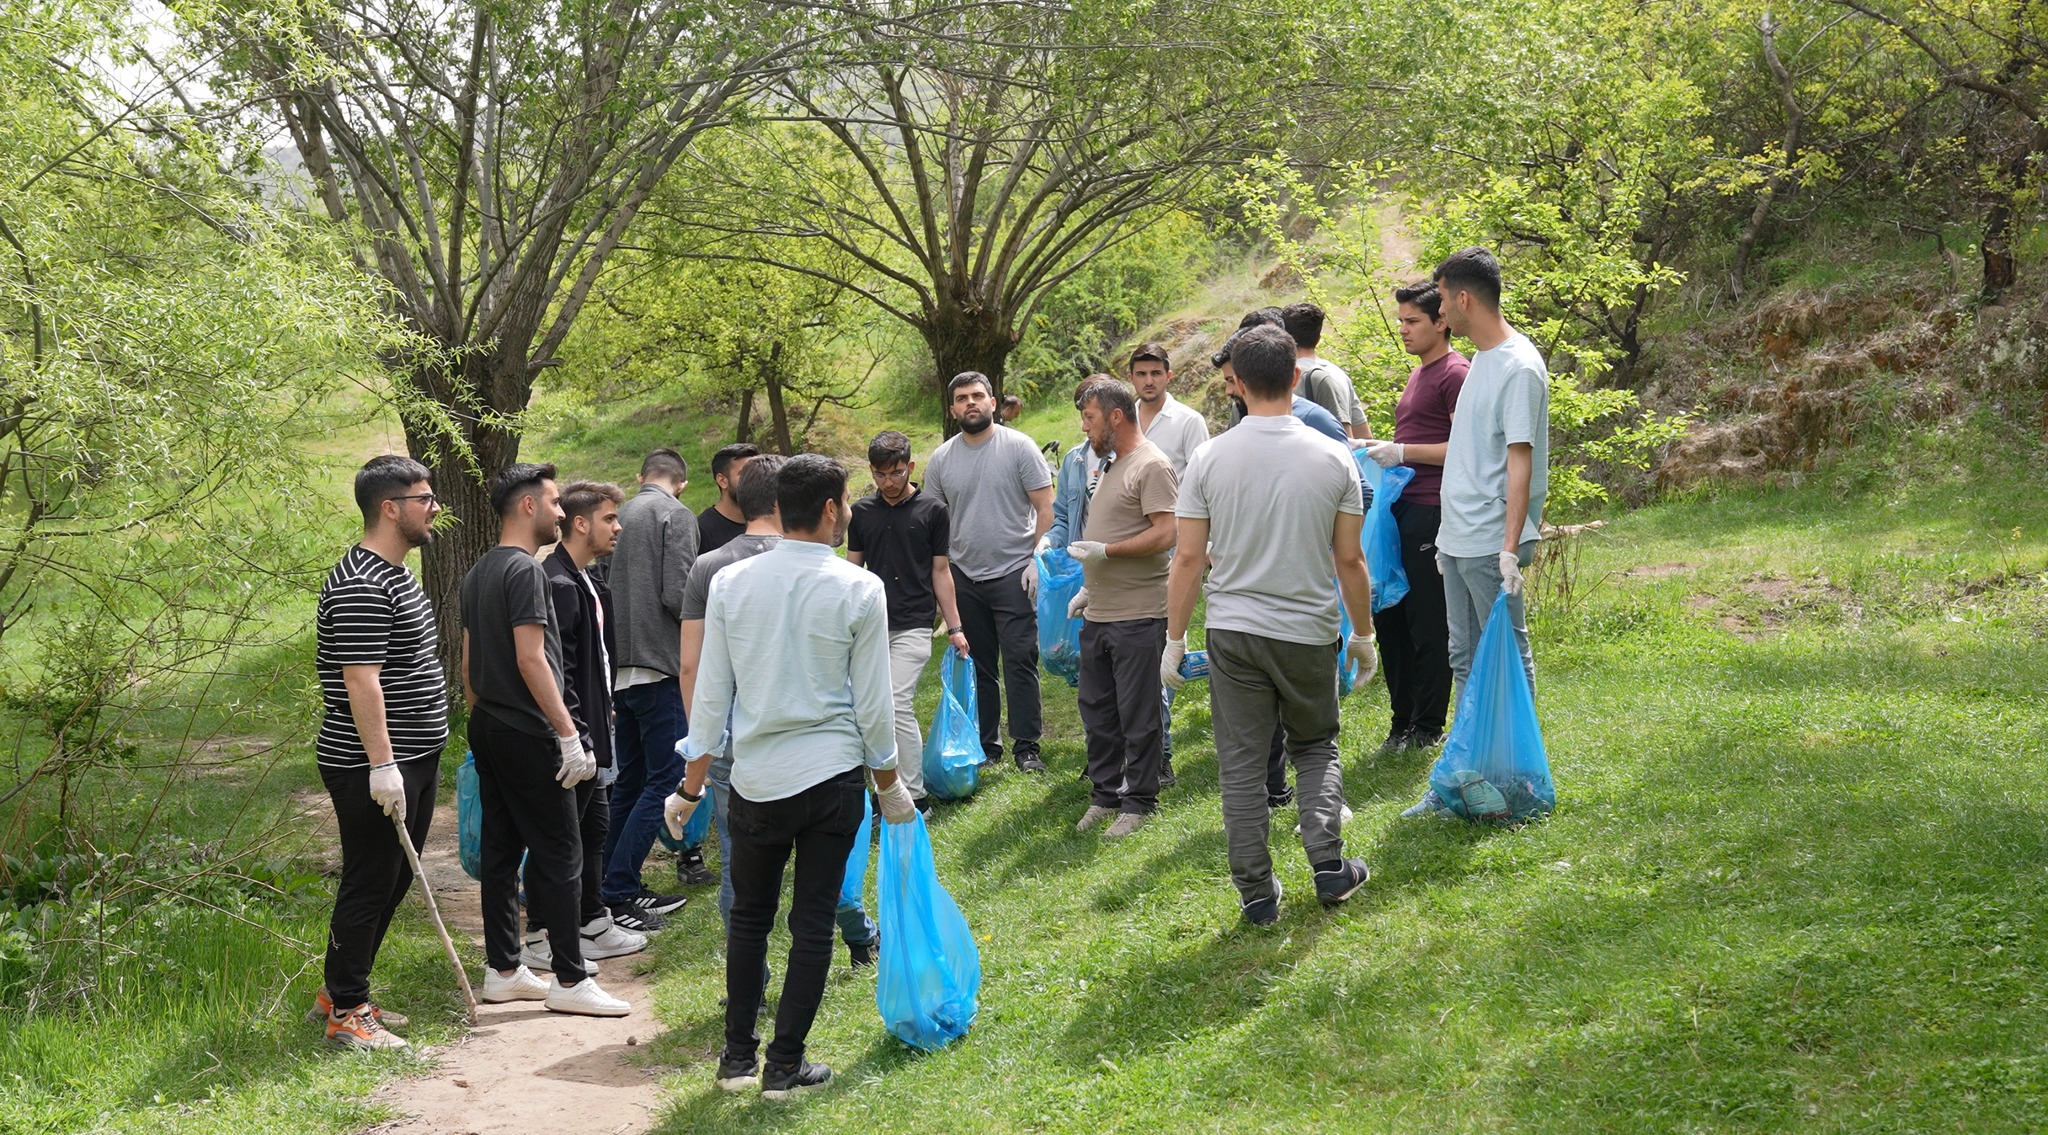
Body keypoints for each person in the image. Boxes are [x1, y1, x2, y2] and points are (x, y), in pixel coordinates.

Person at [668, 455, 917, 1098]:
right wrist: (889, 786)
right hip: (832, 780)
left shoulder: (730, 582)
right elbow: (874, 704)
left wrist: (689, 785)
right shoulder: (859, 587)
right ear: (832, 510)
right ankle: (783, 1067)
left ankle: (735, 1061)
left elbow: (711, 694)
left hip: (752, 779)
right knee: (811, 924)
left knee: (749, 919)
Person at [1162, 325, 1376, 927]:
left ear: (1237, 384)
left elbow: (1186, 559)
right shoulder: (1332, 454)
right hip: (1308, 628)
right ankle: (1329, 866)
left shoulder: (1208, 456)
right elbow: (1350, 560)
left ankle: (1257, 895)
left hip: (1232, 632)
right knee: (1314, 746)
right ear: (1293, 378)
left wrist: (1174, 641)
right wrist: (1363, 634)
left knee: (1241, 762)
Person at [461, 462, 630, 1016]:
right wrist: (567, 734)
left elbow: (467, 663)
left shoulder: (478, 570)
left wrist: (482, 718)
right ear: (528, 506)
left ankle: (504, 970)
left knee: (502, 850)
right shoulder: (527, 572)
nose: (563, 513)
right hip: (530, 729)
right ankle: (569, 978)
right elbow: (532, 658)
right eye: (556, 503)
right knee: (561, 849)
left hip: (489, 723)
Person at [312, 455, 449, 1049]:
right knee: (371, 881)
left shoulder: (394, 574)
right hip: (372, 762)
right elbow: (360, 679)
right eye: (425, 499)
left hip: (412, 755)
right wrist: (382, 764)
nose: (435, 507)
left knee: (392, 880)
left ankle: (341, 990)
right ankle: (347, 1012)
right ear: (390, 508)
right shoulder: (362, 583)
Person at [519, 480, 648, 974]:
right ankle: (539, 932)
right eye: (610, 518)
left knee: (593, 828)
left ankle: (591, 920)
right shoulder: (554, 583)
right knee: (561, 836)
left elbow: (596, 660)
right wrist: (574, 732)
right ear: (580, 523)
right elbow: (558, 669)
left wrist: (604, 710)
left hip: (596, 726)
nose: (618, 526)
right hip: (572, 736)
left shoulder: (591, 580)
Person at [921, 372, 1056, 772]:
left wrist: (1037, 558)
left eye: (978, 396)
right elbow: (932, 521)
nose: (971, 403)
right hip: (964, 575)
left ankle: (1027, 745)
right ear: (952, 409)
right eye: (962, 398)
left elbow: (1046, 508)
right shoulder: (942, 459)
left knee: (1019, 659)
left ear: (993, 402)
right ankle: (987, 745)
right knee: (978, 663)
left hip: (1015, 570)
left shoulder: (1019, 447)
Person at [1064, 380, 1178, 839]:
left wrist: (1106, 553)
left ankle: (1139, 801)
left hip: (1139, 614)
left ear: (1114, 416)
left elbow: (1167, 533)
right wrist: (1091, 587)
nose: (1084, 427)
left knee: (1139, 714)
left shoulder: (1152, 465)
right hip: (1101, 613)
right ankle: (1105, 794)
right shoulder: (1111, 465)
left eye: (1089, 417)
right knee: (1098, 712)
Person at [1431, 246, 1547, 692]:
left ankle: (1518, 761)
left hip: (1488, 539)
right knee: (1464, 657)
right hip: (1458, 536)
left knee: (1506, 655)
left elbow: (1521, 462)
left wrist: (1509, 548)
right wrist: (1446, 538)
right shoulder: (1481, 358)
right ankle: (1471, 759)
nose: (1438, 310)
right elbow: (1471, 453)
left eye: (1441, 298)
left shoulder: (1518, 367)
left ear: (1463, 300)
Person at [1360, 282, 1468, 756]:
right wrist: (1377, 449)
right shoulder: (1419, 372)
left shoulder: (1455, 373)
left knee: (1427, 622)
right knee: (1392, 617)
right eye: (1401, 321)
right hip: (1400, 508)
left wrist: (1401, 451)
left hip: (1433, 509)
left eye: (1412, 322)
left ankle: (1428, 726)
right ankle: (1400, 722)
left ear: (1441, 322)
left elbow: (1466, 449)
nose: (1402, 329)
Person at [847, 430, 971, 809]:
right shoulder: (862, 513)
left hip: (914, 622)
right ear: (871, 471)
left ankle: (913, 796)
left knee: (897, 702)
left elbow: (941, 572)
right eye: (881, 475)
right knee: (868, 707)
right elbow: (852, 571)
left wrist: (955, 627)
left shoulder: (933, 510)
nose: (889, 482)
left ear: (911, 467)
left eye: (897, 473)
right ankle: (882, 790)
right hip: (869, 626)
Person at [603, 448, 695, 931]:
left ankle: (610, 882)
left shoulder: (621, 515)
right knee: (664, 780)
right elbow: (678, 594)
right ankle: (619, 888)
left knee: (631, 782)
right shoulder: (674, 515)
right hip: (660, 666)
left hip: (621, 667)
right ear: (681, 482)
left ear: (643, 477)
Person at [1126, 344, 1209, 784]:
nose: (1149, 381)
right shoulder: (1124, 417)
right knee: (1138, 647)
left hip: (1177, 547)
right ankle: (1137, 746)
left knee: (1163, 643)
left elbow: (1202, 481)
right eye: (1141, 374)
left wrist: (1200, 545)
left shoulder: (1188, 422)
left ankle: (1161, 751)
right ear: (1132, 378)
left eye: (1156, 372)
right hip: (1129, 547)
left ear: (1169, 375)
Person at [1043, 376, 1112, 552]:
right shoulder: (1073, 460)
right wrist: (1049, 541)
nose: (1084, 426)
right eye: (1082, 416)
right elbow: (1064, 518)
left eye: (1090, 417)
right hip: (1081, 569)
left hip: (1122, 570)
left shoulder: (1134, 459)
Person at [1282, 301, 1369, 439]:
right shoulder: (1339, 373)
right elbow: (1364, 435)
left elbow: (1344, 439)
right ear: (1318, 339)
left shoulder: (1288, 376)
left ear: (1284, 337)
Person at [698, 443, 760, 555]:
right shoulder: (702, 531)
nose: (754, 479)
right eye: (744, 473)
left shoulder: (769, 522)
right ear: (722, 481)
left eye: (756, 472)